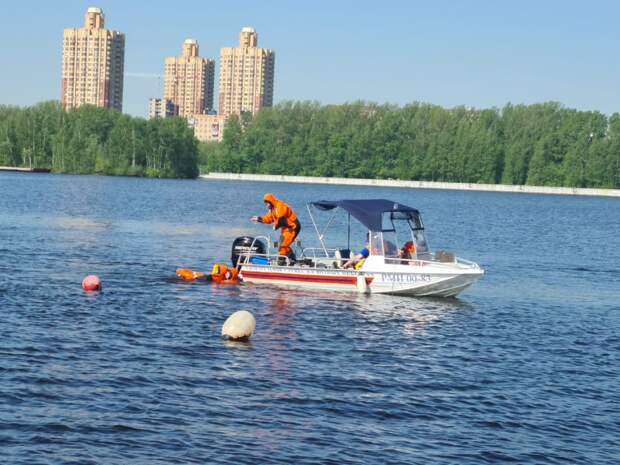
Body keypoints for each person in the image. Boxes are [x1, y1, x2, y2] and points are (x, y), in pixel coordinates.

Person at [251, 193, 301, 264]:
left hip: (293, 227)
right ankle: (292, 259)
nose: (266, 205)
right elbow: (268, 218)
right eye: (265, 204)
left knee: (283, 246)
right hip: (285, 229)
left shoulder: (279, 205)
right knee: (282, 245)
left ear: (270, 202)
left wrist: (276, 226)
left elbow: (281, 218)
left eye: (267, 203)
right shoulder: (273, 209)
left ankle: (281, 262)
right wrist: (259, 218)